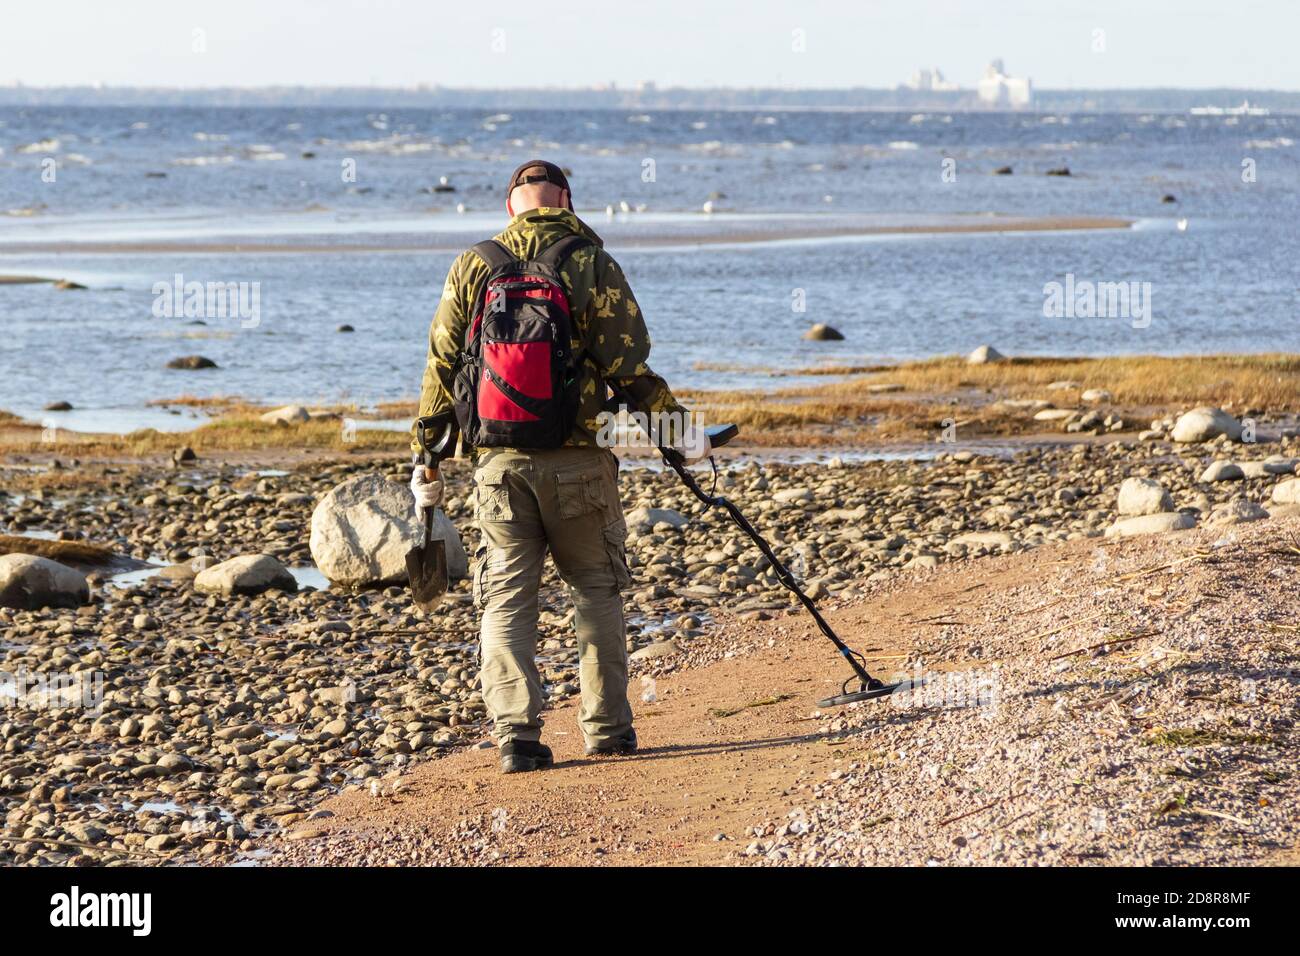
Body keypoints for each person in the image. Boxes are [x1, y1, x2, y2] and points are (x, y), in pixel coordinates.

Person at [409, 160, 700, 774]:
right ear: (566, 200)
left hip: (498, 465)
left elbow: (440, 367)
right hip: (579, 462)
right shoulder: (591, 262)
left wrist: (427, 452)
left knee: (507, 599)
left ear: (510, 206)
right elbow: (630, 368)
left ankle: (517, 737)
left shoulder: (474, 264)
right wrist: (682, 439)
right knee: (596, 591)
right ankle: (608, 732)